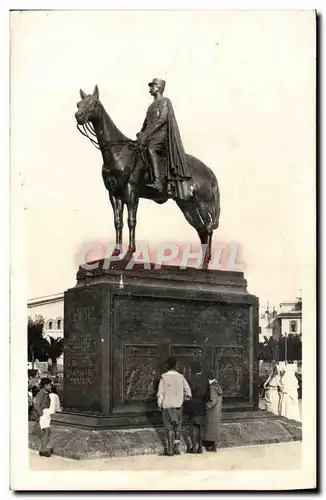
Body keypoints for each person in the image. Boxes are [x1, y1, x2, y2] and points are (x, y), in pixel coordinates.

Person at [137, 78, 193, 200]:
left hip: (161, 136)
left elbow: (162, 120)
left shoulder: (165, 102)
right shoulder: (151, 106)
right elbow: (146, 123)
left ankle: (158, 181)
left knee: (151, 149)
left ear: (160, 88)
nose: (150, 88)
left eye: (153, 86)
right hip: (150, 135)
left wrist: (147, 134)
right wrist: (141, 134)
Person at [157, 356, 192, 456]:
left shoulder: (164, 377)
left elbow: (161, 393)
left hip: (167, 406)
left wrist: (159, 404)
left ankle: (169, 449)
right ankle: (176, 448)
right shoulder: (181, 377)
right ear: (176, 365)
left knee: (169, 428)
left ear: (167, 365)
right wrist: (183, 399)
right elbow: (188, 392)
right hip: (178, 406)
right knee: (177, 428)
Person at [187, 361, 210, 454]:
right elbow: (208, 394)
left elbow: (189, 393)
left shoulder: (191, 379)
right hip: (202, 404)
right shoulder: (205, 379)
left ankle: (193, 448)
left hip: (193, 404)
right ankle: (200, 447)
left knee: (193, 426)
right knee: (201, 426)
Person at [30, 377, 53, 457]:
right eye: (50, 385)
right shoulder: (41, 393)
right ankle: (43, 450)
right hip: (42, 415)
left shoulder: (45, 393)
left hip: (44, 414)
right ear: (45, 385)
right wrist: (41, 414)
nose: (51, 386)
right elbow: (36, 406)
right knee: (46, 431)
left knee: (47, 432)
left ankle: (44, 449)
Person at [203, 371, 223, 452]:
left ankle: (212, 447)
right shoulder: (217, 386)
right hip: (216, 412)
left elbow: (213, 401)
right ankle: (213, 446)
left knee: (210, 430)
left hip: (211, 412)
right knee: (213, 430)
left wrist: (205, 407)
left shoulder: (212, 387)